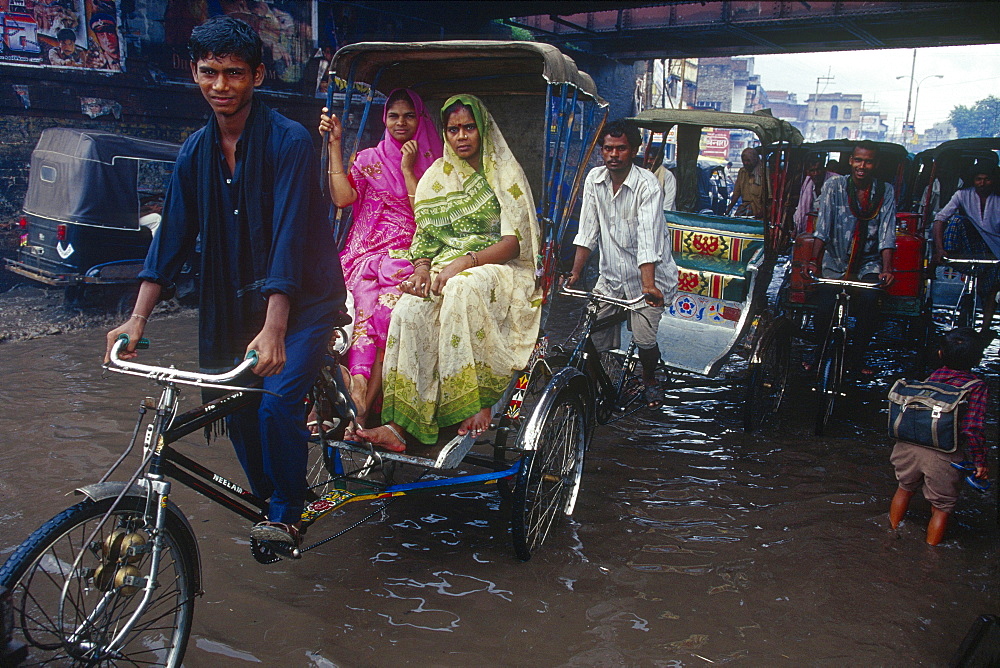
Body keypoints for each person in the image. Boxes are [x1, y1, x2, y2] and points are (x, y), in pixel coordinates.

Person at [104, 16, 346, 548]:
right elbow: (170, 240)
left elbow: (289, 235)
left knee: (277, 403)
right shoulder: (195, 151)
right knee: (234, 407)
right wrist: (137, 318)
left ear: (257, 76)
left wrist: (276, 325)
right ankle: (270, 496)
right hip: (233, 303)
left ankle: (287, 510)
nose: (221, 86)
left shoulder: (290, 141)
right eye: (209, 72)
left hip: (303, 301)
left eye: (234, 74)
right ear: (194, 72)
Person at [357, 94, 541, 452]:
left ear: (481, 129)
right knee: (407, 309)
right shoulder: (436, 177)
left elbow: (515, 242)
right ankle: (399, 423)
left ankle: (477, 399)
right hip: (447, 268)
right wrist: (423, 270)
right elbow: (424, 238)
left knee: (461, 289)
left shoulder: (504, 173)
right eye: (453, 129)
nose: (461, 136)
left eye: (468, 127)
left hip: (499, 268)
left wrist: (464, 262)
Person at [318, 89, 442, 429]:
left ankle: (365, 400)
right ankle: (349, 390)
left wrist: (405, 168)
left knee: (385, 310)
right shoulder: (369, 158)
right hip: (363, 251)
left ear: (420, 119)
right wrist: (335, 145)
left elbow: (428, 217)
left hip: (408, 250)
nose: (400, 123)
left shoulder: (435, 164)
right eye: (393, 116)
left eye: (408, 116)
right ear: (384, 120)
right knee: (346, 302)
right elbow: (344, 199)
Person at [567, 119, 678, 408]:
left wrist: (648, 286)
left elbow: (647, 238)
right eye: (607, 148)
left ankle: (650, 378)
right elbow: (587, 229)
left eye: (621, 149)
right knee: (591, 334)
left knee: (644, 340)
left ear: (634, 151)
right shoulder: (594, 179)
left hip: (650, 279)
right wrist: (575, 273)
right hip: (612, 276)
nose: (613, 155)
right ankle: (594, 389)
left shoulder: (648, 185)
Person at [889, 327, 989, 546]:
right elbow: (972, 428)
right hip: (944, 454)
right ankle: (930, 556)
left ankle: (891, 534)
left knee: (904, 489)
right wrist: (980, 461)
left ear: (940, 354)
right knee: (942, 508)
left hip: (909, 446)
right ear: (979, 358)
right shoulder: (976, 387)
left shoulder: (934, 376)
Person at [809, 141, 896, 376]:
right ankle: (818, 355)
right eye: (858, 160)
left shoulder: (884, 190)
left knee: (870, 303)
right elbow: (823, 229)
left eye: (868, 162)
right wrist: (813, 262)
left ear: (875, 164)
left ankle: (857, 360)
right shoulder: (834, 185)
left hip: (869, 262)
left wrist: (887, 269)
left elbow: (887, 232)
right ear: (851, 161)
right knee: (824, 307)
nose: (862, 166)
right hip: (834, 260)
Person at [931, 163, 1000, 333]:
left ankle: (985, 329)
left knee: (990, 291)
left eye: (987, 179)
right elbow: (940, 219)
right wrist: (940, 249)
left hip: (996, 250)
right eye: (978, 179)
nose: (982, 183)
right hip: (970, 246)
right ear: (973, 180)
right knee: (955, 221)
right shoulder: (962, 195)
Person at [793, 155, 836, 235]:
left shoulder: (835, 181)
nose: (816, 173)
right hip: (812, 226)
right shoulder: (808, 184)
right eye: (812, 171)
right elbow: (801, 208)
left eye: (818, 170)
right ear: (808, 172)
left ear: (824, 169)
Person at [726, 147, 767, 219]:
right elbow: (736, 193)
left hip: (759, 210)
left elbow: (769, 197)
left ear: (754, 159)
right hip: (745, 207)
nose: (746, 163)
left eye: (748, 160)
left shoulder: (764, 172)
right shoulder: (742, 172)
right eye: (744, 160)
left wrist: (764, 211)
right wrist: (728, 209)